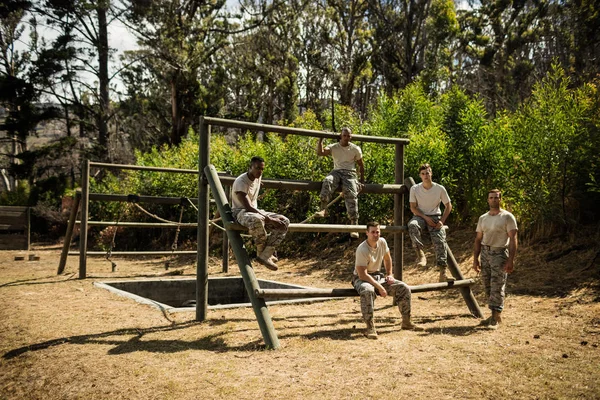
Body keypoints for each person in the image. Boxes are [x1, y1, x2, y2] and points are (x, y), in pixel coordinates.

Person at [352, 221, 420, 339]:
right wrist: (380, 287)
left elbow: (387, 259)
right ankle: (370, 328)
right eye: (372, 232)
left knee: (403, 287)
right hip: (361, 278)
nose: (375, 234)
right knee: (367, 290)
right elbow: (362, 274)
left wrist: (389, 274)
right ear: (367, 233)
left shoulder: (382, 242)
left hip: (378, 276)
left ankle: (406, 322)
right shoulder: (362, 249)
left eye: (377, 232)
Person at [232, 156, 290, 271]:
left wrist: (268, 218)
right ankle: (261, 252)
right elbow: (247, 207)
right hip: (240, 212)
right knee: (257, 220)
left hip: (254, 211)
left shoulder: (257, 177)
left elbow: (253, 205)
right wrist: (268, 218)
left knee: (284, 221)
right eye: (257, 168)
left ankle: (266, 254)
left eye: (262, 169)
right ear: (250, 167)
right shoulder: (241, 182)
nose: (260, 171)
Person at [473, 189, 518, 329]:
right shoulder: (483, 218)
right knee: (487, 284)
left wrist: (510, 260)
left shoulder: (507, 217)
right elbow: (478, 239)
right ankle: (493, 315)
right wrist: (476, 259)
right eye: (491, 198)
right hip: (486, 253)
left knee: (497, 285)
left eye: (496, 198)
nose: (493, 200)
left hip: (499, 253)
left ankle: (496, 317)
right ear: (487, 200)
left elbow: (513, 239)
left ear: (500, 199)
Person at [315, 127, 365, 238]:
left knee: (351, 193)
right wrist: (321, 140)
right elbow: (320, 152)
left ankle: (354, 225)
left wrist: (361, 181)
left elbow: (361, 165)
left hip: (350, 173)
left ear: (351, 137)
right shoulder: (334, 147)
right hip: (337, 171)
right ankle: (323, 208)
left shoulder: (355, 149)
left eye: (348, 136)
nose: (346, 138)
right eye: (344, 135)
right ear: (340, 136)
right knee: (328, 181)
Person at [408, 163, 453, 282]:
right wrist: (425, 217)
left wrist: (442, 221)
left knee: (440, 238)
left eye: (427, 173)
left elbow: (448, 206)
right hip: (420, 215)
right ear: (420, 176)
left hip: (435, 216)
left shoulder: (439, 188)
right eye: (423, 174)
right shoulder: (415, 189)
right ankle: (420, 254)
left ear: (431, 173)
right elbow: (413, 207)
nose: (426, 175)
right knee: (412, 225)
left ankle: (443, 273)